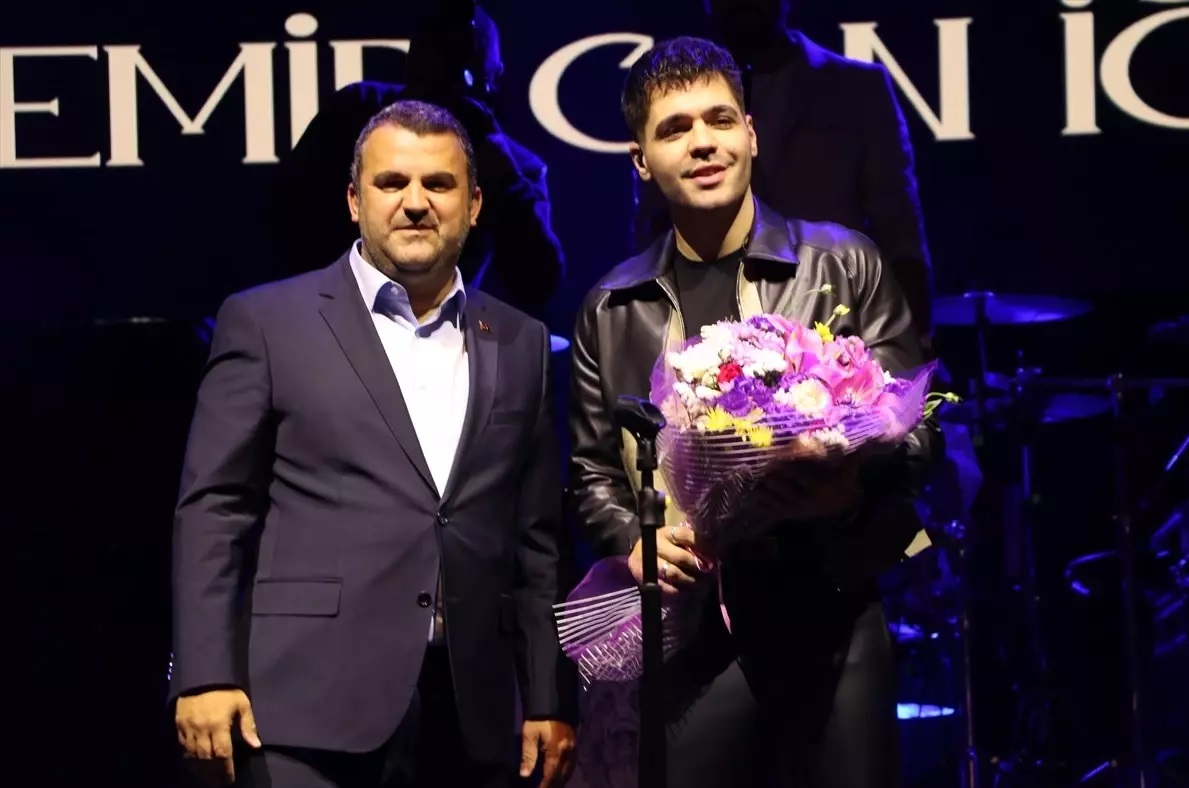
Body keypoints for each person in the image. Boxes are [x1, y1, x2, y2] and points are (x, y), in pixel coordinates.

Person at [569, 37, 943, 787]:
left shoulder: (843, 264)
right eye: (675, 129)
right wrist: (636, 542)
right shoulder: (610, 308)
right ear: (641, 159)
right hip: (694, 631)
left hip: (834, 607)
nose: (702, 142)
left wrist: (846, 487)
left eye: (719, 120)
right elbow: (590, 472)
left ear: (750, 133)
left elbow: (921, 426)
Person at [172, 99, 577, 788]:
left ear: (474, 205)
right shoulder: (266, 322)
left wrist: (546, 693)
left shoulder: (522, 342)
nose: (415, 203)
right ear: (354, 201)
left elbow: (536, 540)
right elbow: (214, 508)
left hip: (470, 716)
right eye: (391, 183)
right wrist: (205, 672)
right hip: (300, 710)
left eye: (438, 184)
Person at [632, 0, 935, 347]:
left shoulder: (858, 89)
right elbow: (653, 228)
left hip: (838, 329)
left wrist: (917, 339)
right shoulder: (668, 99)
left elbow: (899, 227)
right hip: (708, 331)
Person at [269, 2, 564, 321]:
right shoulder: (354, 112)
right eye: (434, 57)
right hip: (332, 320)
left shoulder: (513, 167)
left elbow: (537, 285)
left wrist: (506, 184)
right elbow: (286, 217)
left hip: (440, 333)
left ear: (490, 79)